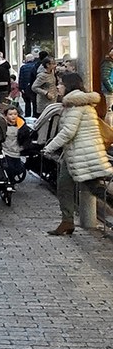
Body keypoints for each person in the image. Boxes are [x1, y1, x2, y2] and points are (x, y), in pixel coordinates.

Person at [42, 73, 113, 235]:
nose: (58, 87)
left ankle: (67, 221)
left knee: (95, 188)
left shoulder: (76, 104)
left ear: (69, 85)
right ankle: (67, 222)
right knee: (64, 186)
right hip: (75, 154)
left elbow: (68, 132)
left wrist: (49, 147)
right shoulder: (73, 103)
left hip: (84, 155)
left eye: (60, 84)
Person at [1, 106, 32, 181]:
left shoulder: (22, 126)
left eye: (15, 114)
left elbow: (26, 139)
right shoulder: (2, 125)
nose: (13, 116)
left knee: (18, 169)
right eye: (10, 114)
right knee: (9, 168)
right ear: (6, 116)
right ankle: (10, 182)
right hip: (6, 151)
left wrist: (23, 147)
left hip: (16, 151)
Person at [17, 53, 38, 117]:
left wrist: (21, 88)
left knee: (27, 103)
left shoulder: (23, 67)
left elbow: (21, 78)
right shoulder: (35, 66)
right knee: (34, 103)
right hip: (34, 86)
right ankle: (34, 115)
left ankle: (27, 115)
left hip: (26, 88)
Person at [100, 47, 113, 112]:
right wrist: (111, 89)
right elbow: (105, 77)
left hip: (109, 90)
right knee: (109, 111)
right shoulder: (108, 63)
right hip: (109, 91)